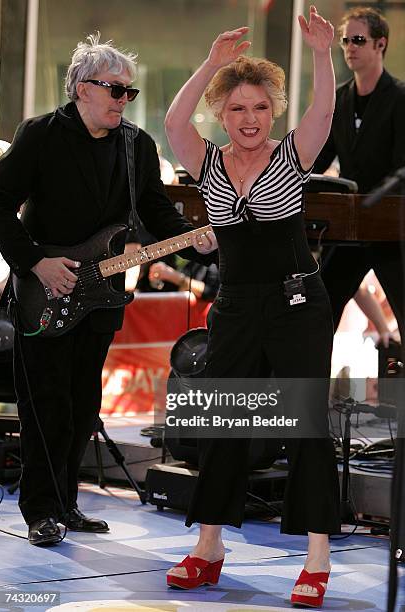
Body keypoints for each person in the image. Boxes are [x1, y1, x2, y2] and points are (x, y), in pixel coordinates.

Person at [0, 33, 216, 546]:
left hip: (100, 297)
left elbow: (155, 212)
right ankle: (40, 513)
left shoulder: (136, 146)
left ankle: (67, 506)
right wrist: (35, 262)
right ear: (80, 88)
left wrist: (194, 240)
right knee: (45, 405)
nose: (123, 99)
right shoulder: (41, 135)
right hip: (44, 291)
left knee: (80, 405)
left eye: (128, 92)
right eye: (114, 89)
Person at [164, 6, 340, 608]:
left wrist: (321, 53)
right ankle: (209, 545)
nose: (248, 119)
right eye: (236, 108)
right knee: (223, 421)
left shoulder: (293, 155)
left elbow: (323, 111)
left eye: (260, 108)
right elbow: (172, 121)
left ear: (273, 112)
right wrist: (212, 62)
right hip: (235, 307)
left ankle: (317, 557)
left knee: (305, 426)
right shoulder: (207, 162)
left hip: (297, 305)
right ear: (222, 113)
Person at [314, 7, 405, 339]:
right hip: (349, 227)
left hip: (390, 227)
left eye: (358, 40)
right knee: (321, 312)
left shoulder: (399, 98)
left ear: (380, 44)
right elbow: (319, 157)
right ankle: (309, 390)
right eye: (345, 40)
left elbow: (400, 169)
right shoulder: (339, 98)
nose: (349, 47)